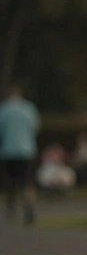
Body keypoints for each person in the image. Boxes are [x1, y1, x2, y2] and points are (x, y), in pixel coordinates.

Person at [0, 84, 40, 224]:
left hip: (8, 151)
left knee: (10, 182)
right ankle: (28, 205)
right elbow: (35, 128)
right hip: (26, 150)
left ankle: (11, 208)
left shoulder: (4, 110)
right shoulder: (29, 108)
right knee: (27, 181)